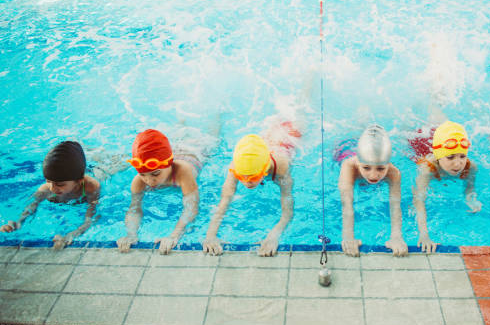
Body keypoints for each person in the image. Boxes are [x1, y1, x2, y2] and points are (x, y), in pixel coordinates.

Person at [203, 117, 303, 257]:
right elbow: (224, 202)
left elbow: (288, 211)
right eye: (241, 176)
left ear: (264, 170)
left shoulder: (281, 168)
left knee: (298, 115)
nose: (247, 182)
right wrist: (210, 235)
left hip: (290, 135)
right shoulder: (236, 166)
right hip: (267, 141)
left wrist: (273, 236)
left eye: (253, 177)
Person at [0, 141, 120, 249]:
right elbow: (30, 207)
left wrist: (74, 233)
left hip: (96, 172)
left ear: (78, 181)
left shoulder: (91, 187)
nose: (52, 188)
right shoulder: (45, 189)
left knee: (117, 165)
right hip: (74, 172)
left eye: (60, 184)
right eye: (48, 181)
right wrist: (18, 222)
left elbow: (91, 217)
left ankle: (93, 152)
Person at [117, 126, 215, 255]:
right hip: (173, 151)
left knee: (212, 137)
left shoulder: (182, 172)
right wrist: (130, 234)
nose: (149, 181)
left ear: (169, 163)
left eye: (155, 174)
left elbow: (191, 207)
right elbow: (134, 209)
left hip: (196, 152)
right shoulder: (138, 181)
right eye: (143, 174)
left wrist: (174, 236)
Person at [334, 124, 407, 257]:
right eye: (366, 168)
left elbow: (395, 206)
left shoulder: (393, 172)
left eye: (380, 169)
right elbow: (347, 204)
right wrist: (348, 236)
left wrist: (396, 236)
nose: (373, 175)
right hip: (345, 148)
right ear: (359, 163)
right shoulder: (349, 167)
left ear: (388, 165)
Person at [410, 120, 481, 253]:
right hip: (420, 143)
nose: (458, 164)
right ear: (439, 156)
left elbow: (470, 188)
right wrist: (424, 234)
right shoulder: (427, 169)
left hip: (442, 138)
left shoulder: (470, 167)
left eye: (462, 156)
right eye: (450, 157)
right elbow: (418, 200)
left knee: (440, 119)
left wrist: (471, 199)